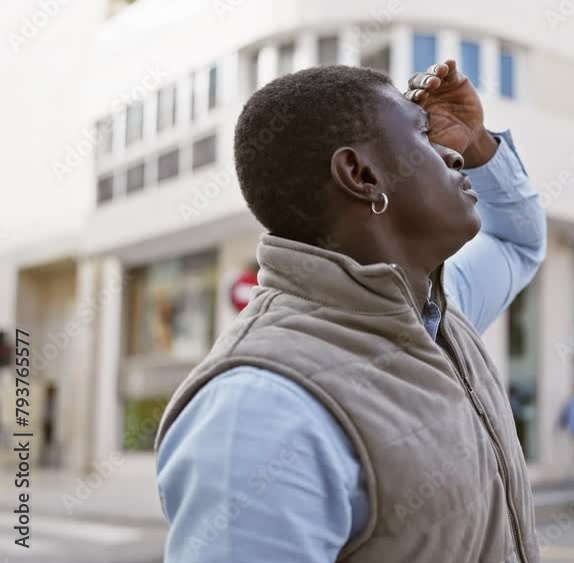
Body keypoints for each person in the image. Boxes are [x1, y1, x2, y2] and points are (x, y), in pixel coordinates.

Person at [154, 60, 545, 562]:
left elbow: (519, 240)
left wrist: (479, 143)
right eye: (424, 136)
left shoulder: (437, 315)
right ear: (360, 175)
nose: (454, 157)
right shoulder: (261, 407)